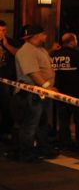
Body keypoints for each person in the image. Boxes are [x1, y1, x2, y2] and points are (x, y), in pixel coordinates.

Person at [12, 24, 58, 162]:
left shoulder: (39, 49)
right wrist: (46, 86)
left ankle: (43, 148)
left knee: (41, 123)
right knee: (30, 125)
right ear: (37, 35)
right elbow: (33, 73)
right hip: (31, 94)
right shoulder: (26, 51)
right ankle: (26, 153)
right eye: (43, 34)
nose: (45, 36)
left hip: (40, 94)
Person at [50, 33, 79, 152]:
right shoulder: (77, 55)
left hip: (60, 92)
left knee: (64, 120)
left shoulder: (54, 55)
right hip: (77, 93)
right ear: (72, 42)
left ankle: (65, 143)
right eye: (75, 40)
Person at [0, 20, 22, 139]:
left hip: (7, 79)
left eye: (4, 30)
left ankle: (6, 131)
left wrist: (7, 45)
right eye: (0, 30)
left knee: (7, 106)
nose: (2, 33)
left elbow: (20, 54)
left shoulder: (11, 42)